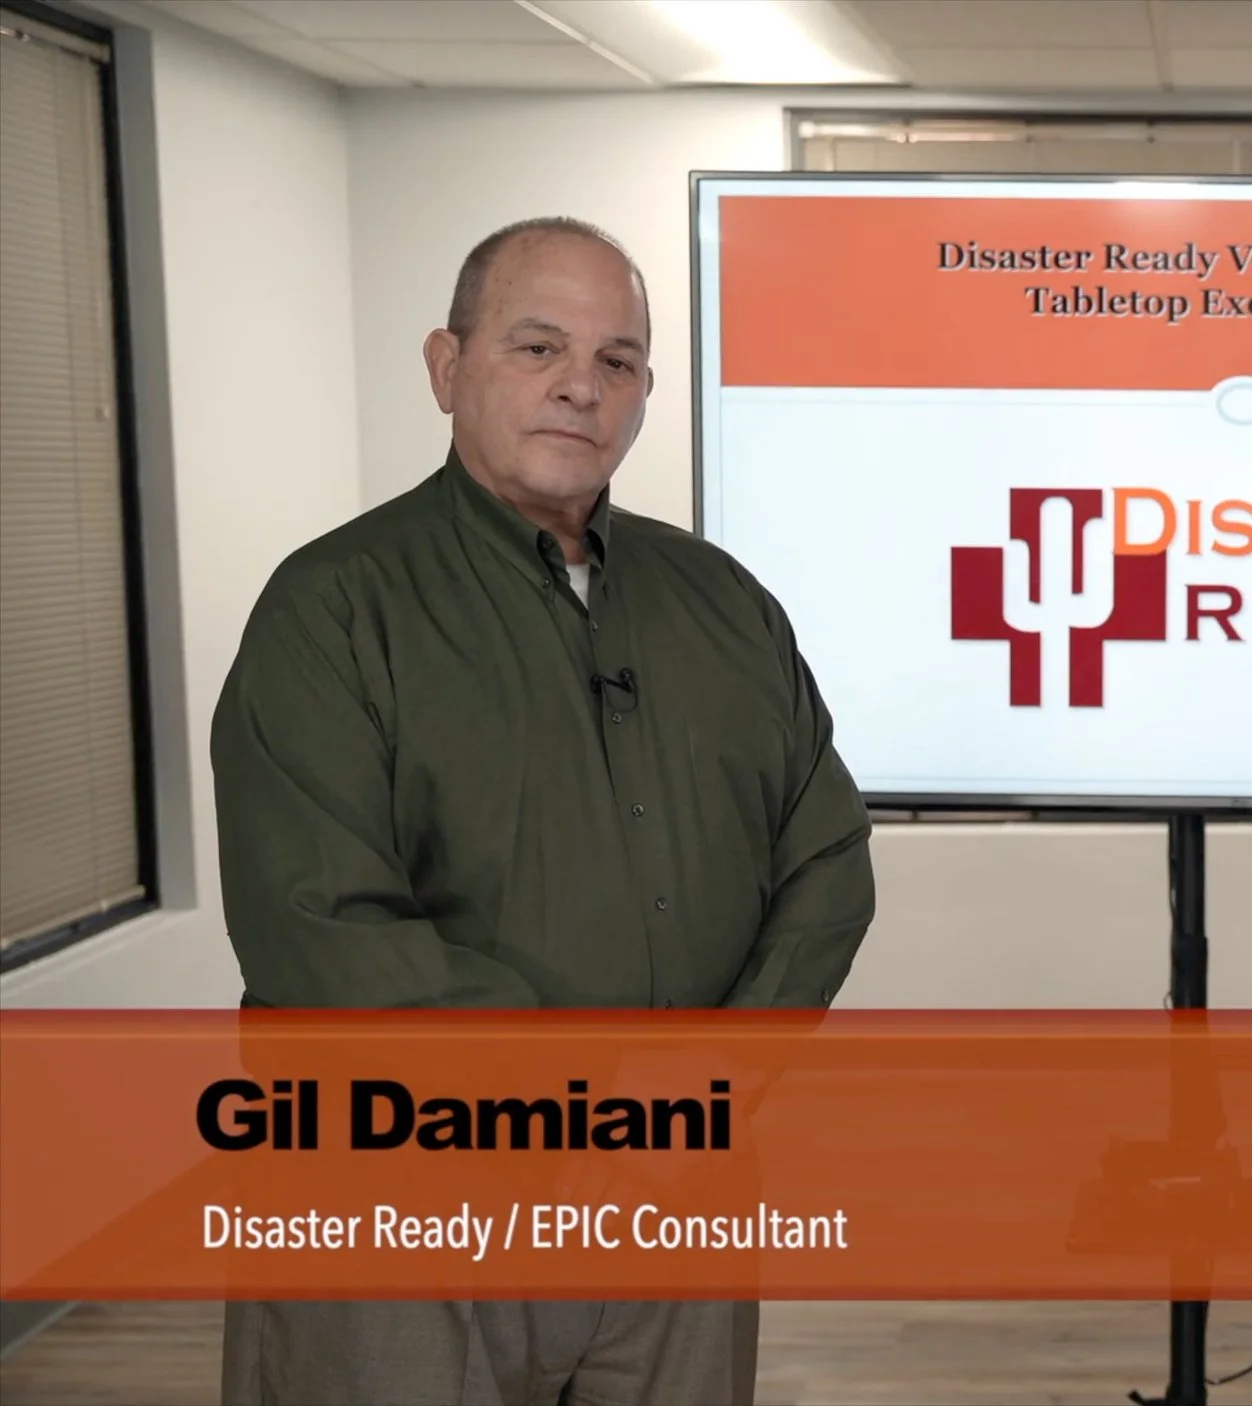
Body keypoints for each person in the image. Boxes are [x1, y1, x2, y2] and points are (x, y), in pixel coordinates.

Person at [210, 216, 876, 1405]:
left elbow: (825, 856)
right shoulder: (331, 608)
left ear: (644, 393)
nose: (581, 385)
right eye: (536, 347)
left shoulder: (725, 602)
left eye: (617, 360)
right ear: (445, 365)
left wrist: (725, 1070)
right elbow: (323, 933)